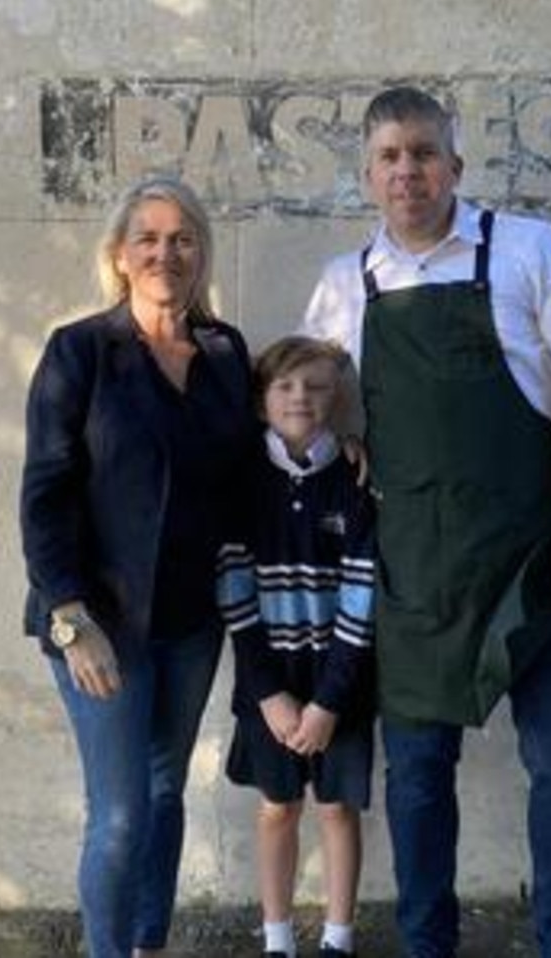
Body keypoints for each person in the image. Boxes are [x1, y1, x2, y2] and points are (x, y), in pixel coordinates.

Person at [301, 86, 551, 958]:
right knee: (413, 781)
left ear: (455, 163)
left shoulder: (524, 250)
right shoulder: (345, 286)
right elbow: (306, 403)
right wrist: (348, 435)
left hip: (541, 567)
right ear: (368, 176)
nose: (408, 170)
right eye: (389, 157)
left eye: (423, 152)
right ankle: (426, 945)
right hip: (414, 579)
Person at [19, 174, 257, 958]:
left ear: (201, 254)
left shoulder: (225, 353)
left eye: (182, 238)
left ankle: (149, 945)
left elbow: (258, 460)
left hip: (191, 622)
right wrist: (68, 616)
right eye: (148, 238)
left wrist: (343, 437)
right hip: (99, 623)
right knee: (119, 814)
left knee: (165, 792)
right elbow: (46, 494)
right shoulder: (81, 350)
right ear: (121, 256)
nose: (166, 252)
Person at [216, 335, 376, 958]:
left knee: (337, 809)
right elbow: (234, 597)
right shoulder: (242, 484)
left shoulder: (357, 482)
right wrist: (270, 695)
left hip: (343, 683)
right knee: (278, 807)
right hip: (271, 686)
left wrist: (330, 702)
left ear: (336, 398)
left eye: (314, 386)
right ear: (261, 402)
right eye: (284, 387)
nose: (300, 398)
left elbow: (363, 600)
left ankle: (339, 937)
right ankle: (277, 939)